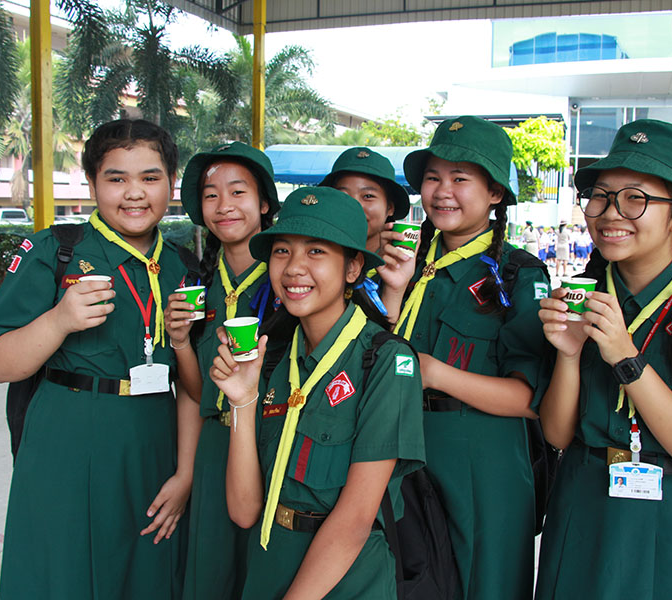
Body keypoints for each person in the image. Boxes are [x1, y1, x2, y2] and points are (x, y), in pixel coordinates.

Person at [535, 119, 672, 599]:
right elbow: (557, 435)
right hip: (584, 508)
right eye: (600, 195)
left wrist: (626, 356)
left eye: (634, 198)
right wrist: (569, 356)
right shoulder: (579, 297)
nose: (609, 212)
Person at [0, 119, 197, 599]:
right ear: (92, 183)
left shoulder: (183, 266)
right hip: (66, 446)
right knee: (64, 573)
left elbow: (190, 386)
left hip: (152, 446)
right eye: (117, 178)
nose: (134, 193)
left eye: (150, 177)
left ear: (171, 183)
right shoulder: (56, 251)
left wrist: (185, 474)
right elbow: (0, 364)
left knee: (146, 572)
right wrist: (59, 320)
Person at [210, 186, 426, 599]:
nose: (294, 268)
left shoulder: (385, 361)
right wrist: (242, 400)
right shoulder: (271, 357)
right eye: (282, 251)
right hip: (269, 563)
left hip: (347, 578)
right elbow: (244, 510)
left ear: (352, 268)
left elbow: (356, 520)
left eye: (316, 251)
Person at [383, 116, 549, 599]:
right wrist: (394, 290)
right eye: (433, 178)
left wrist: (437, 374)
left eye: (460, 179)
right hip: (399, 448)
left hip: (482, 464)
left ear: (495, 192)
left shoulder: (517, 275)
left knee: (485, 584)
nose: (442, 192)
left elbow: (530, 399)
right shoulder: (403, 258)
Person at [165, 141, 281, 600]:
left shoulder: (290, 281)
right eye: (211, 195)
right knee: (212, 574)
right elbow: (197, 393)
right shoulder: (200, 284)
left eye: (238, 192)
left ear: (264, 203)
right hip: (216, 445)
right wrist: (179, 341)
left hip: (274, 442)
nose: (224, 205)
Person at [319, 146, 415, 323]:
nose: (354, 206)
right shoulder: (314, 263)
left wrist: (393, 291)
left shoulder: (405, 268)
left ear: (390, 207)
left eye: (368, 196)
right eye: (343, 196)